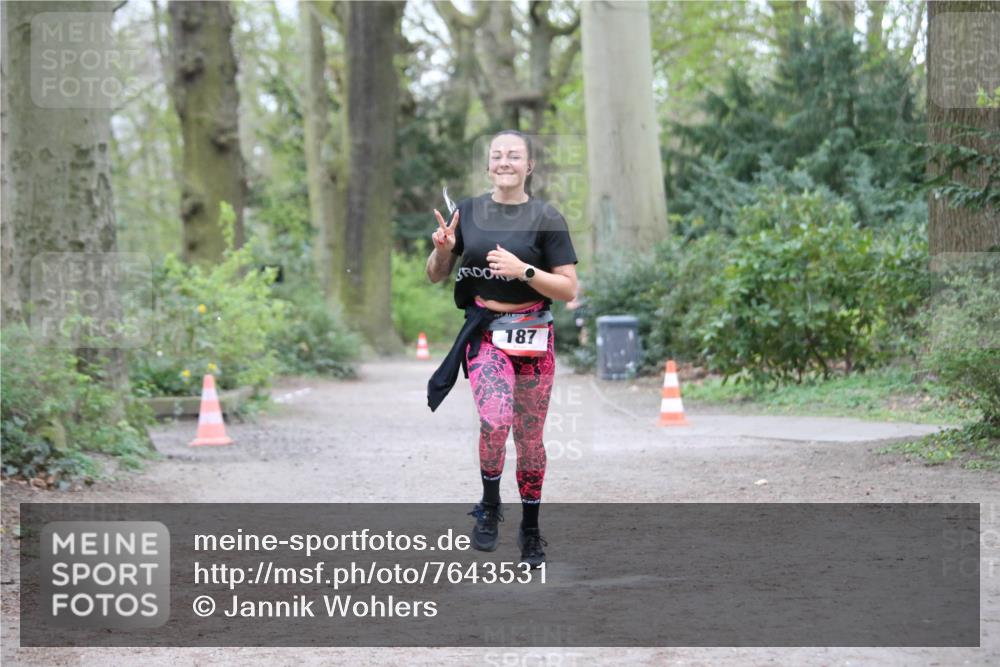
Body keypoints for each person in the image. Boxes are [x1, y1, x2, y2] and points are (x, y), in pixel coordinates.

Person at [425, 130, 578, 568]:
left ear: (529, 166)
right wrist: (442, 251)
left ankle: (531, 531)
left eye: (514, 155)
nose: (504, 161)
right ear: (488, 165)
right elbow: (436, 275)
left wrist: (524, 269)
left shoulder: (547, 218)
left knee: (529, 441)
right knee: (494, 420)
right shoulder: (467, 213)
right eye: (497, 155)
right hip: (487, 334)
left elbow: (568, 289)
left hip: (534, 335)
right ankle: (490, 505)